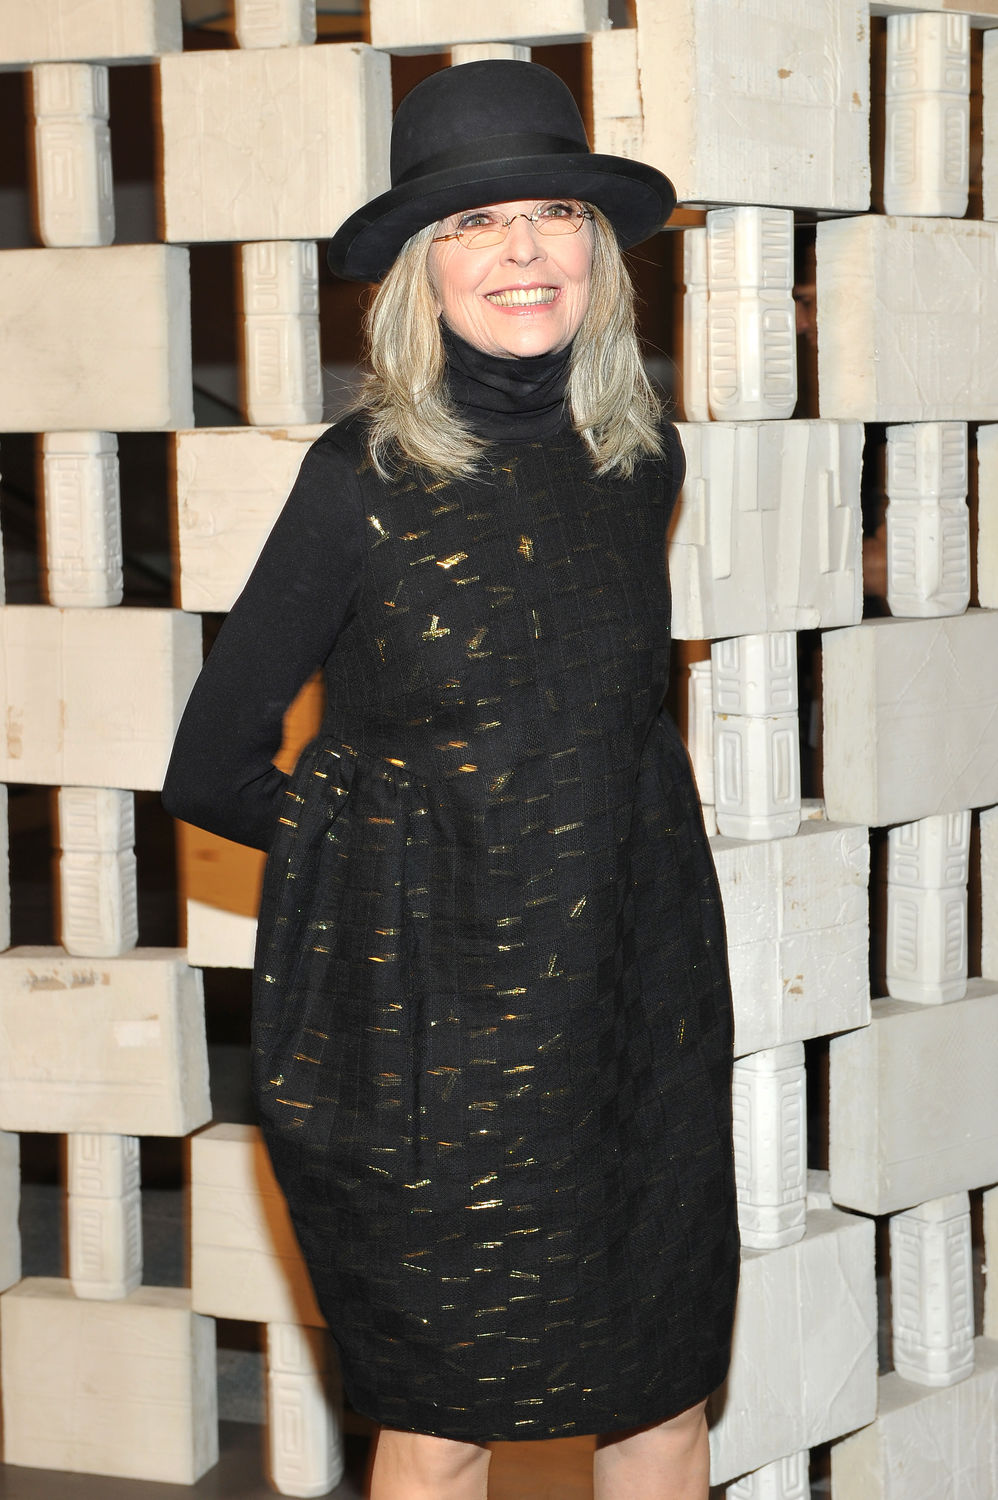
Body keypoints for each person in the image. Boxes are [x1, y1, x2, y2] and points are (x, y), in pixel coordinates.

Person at [163, 59, 739, 1500]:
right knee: (443, 1425)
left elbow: (597, 731)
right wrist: (384, 868)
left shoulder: (637, 458)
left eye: (552, 213)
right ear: (422, 273)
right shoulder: (359, 476)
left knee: (662, 1398)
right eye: (477, 225)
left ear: (599, 258)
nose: (524, 251)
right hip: (434, 1044)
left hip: (629, 1017)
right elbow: (211, 761)